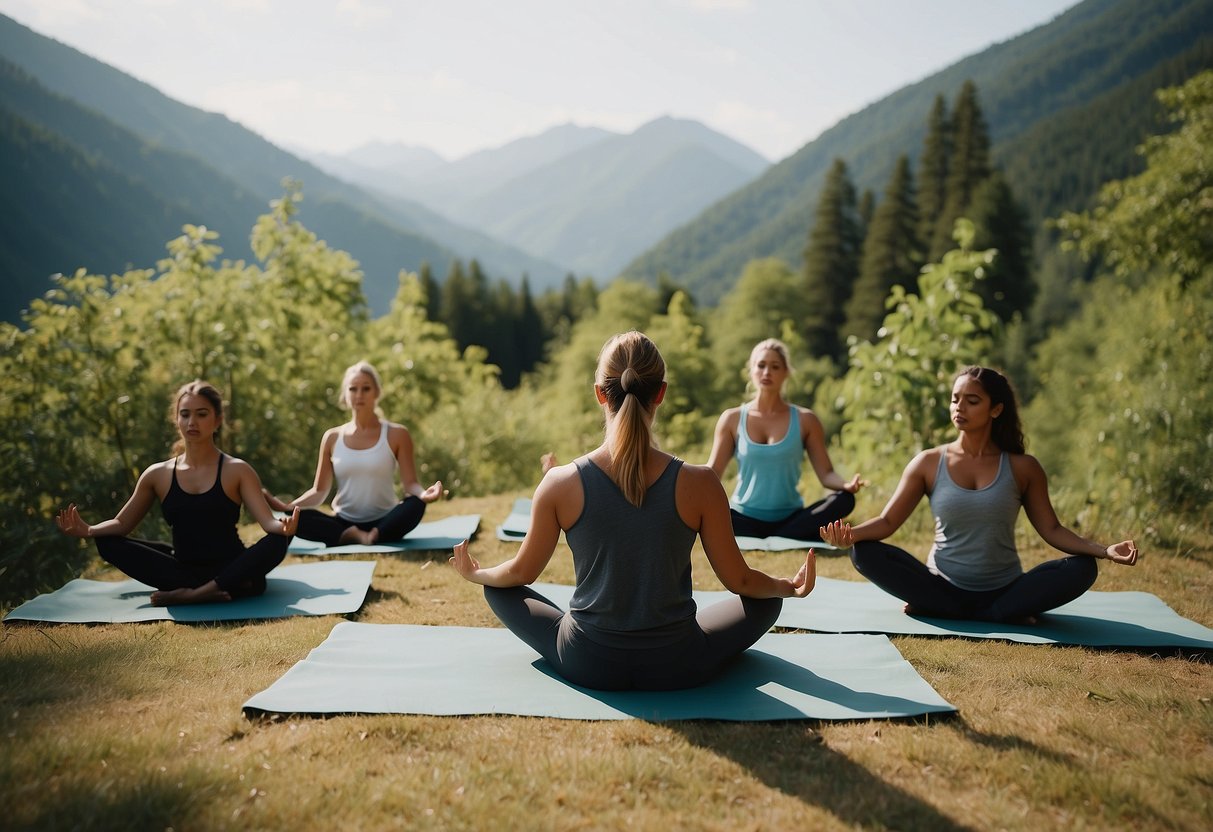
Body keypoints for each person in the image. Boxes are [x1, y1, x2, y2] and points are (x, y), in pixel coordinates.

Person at [450, 331, 815, 691]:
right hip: (677, 662)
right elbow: (743, 582)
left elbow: (519, 572)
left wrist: (476, 573)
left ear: (599, 394)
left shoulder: (558, 483)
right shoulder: (700, 482)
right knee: (767, 603)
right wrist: (787, 587)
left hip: (588, 662)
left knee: (498, 589)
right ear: (661, 393)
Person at [820, 365, 1140, 624]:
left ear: (996, 409)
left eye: (972, 401)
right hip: (942, 586)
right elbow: (889, 520)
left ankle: (985, 611)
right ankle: (991, 614)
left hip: (1005, 589)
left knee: (1082, 569)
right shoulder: (928, 463)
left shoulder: (1023, 467)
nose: (960, 407)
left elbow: (1052, 530)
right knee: (864, 553)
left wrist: (1104, 550)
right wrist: (849, 535)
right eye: (955, 399)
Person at [54, 380, 299, 605]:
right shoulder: (157, 474)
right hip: (182, 569)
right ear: (176, 419)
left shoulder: (237, 470)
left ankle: (196, 594)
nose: (192, 422)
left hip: (229, 566)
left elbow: (268, 522)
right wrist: (88, 530)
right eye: (185, 414)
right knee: (107, 542)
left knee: (279, 541)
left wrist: (284, 528)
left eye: (202, 414)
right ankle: (222, 588)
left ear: (217, 420)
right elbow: (122, 523)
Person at [263, 361, 443, 547]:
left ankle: (373, 534)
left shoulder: (397, 434)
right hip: (343, 522)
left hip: (385, 520)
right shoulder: (332, 438)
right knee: (297, 518)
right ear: (345, 395)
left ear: (377, 393)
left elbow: (411, 484)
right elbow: (319, 491)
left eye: (366, 389)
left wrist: (424, 494)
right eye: (353, 389)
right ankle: (354, 535)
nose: (359, 395)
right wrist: (288, 507)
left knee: (415, 504)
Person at [707, 338, 865, 543]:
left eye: (775, 367)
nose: (766, 372)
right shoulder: (732, 419)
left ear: (786, 372)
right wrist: (683, 479)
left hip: (792, 519)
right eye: (761, 365)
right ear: (751, 370)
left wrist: (846, 484)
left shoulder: (806, 420)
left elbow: (826, 474)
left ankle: (782, 535)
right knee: (710, 511)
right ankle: (787, 538)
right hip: (742, 518)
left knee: (844, 500)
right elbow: (712, 473)